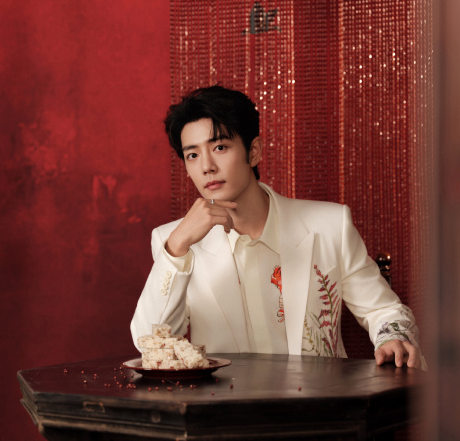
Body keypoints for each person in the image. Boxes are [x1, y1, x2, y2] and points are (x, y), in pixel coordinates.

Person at [131, 85, 426, 369]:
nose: (206, 166)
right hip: (225, 402)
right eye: (192, 155)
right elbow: (150, 343)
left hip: (321, 400)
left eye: (220, 147)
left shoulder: (329, 224)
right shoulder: (173, 241)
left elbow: (382, 309)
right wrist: (177, 249)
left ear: (254, 151)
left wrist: (392, 339)